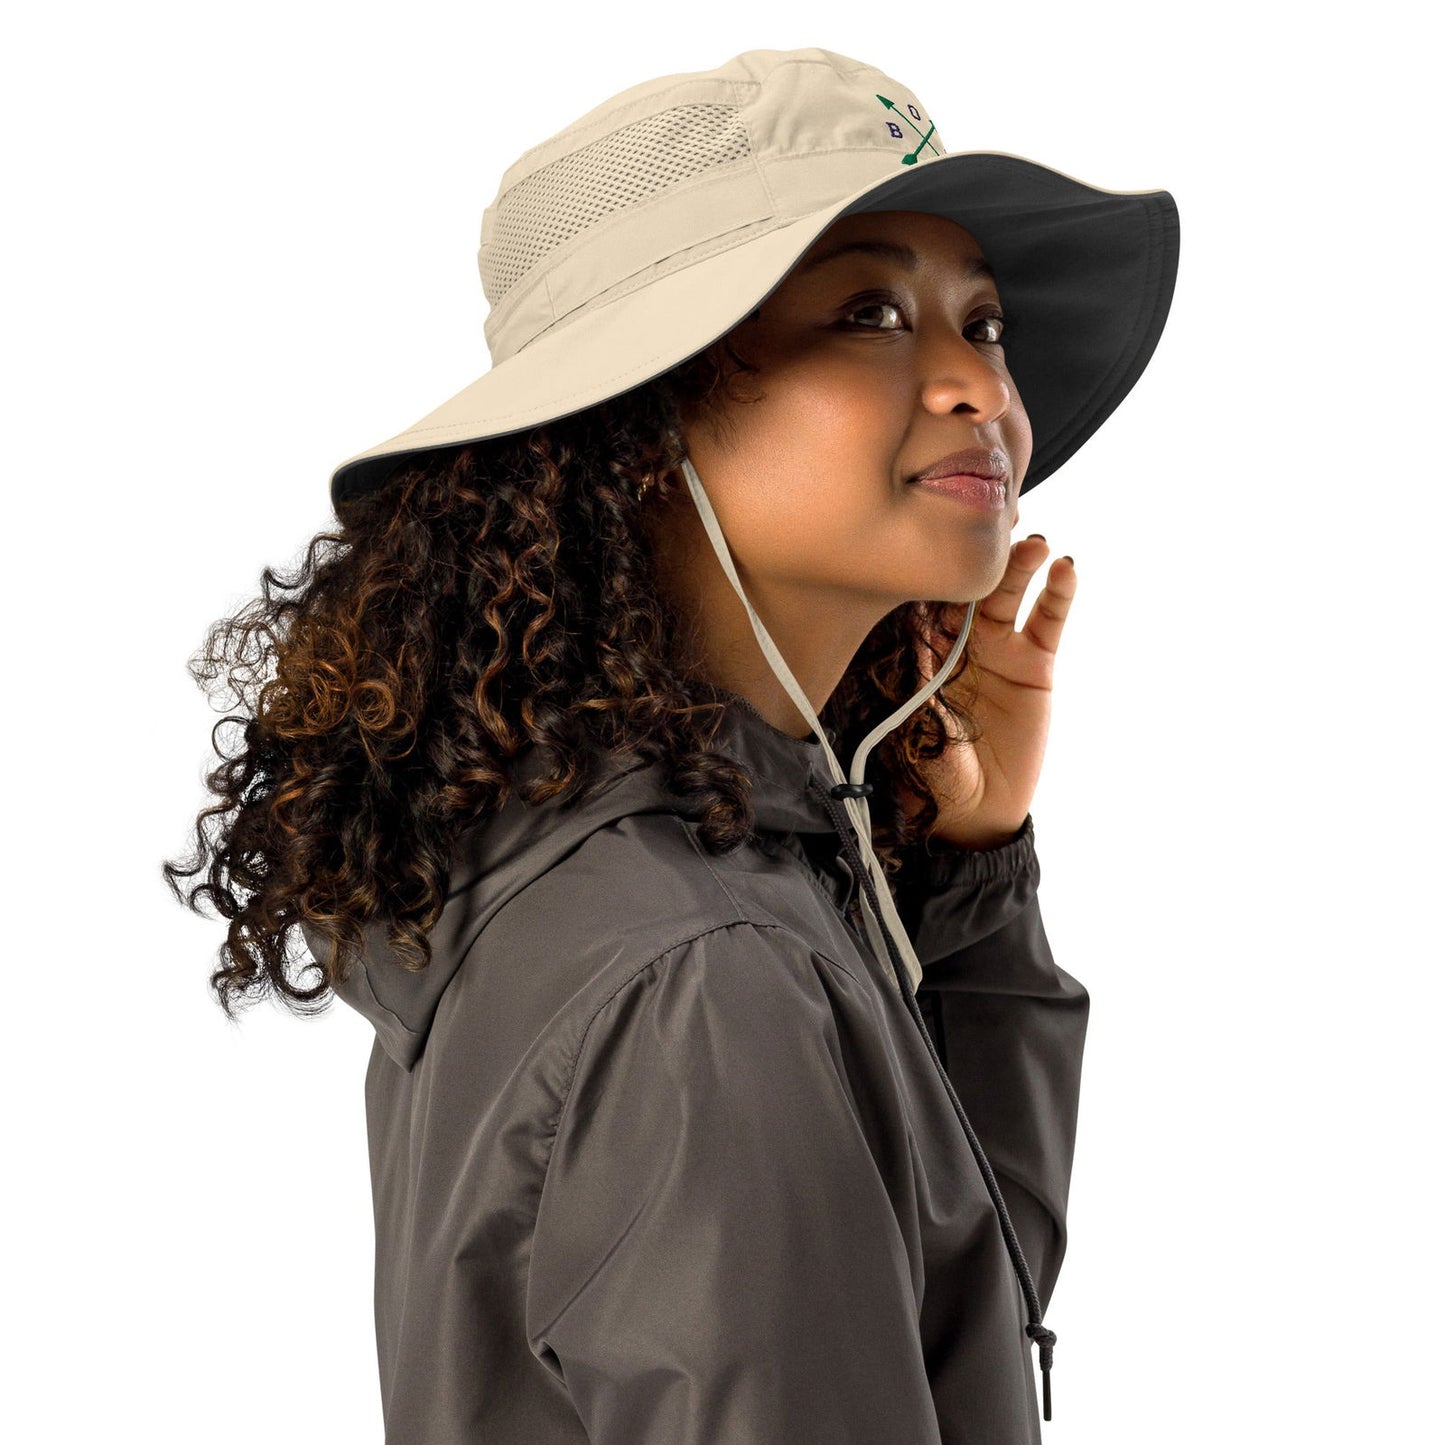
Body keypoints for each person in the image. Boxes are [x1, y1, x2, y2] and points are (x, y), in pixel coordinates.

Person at [163, 46, 1179, 1443]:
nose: (975, 388)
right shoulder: (702, 972)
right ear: (639, 416)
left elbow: (951, 1333)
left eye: (985, 320)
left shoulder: (640, 875)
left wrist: (966, 877)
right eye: (873, 309)